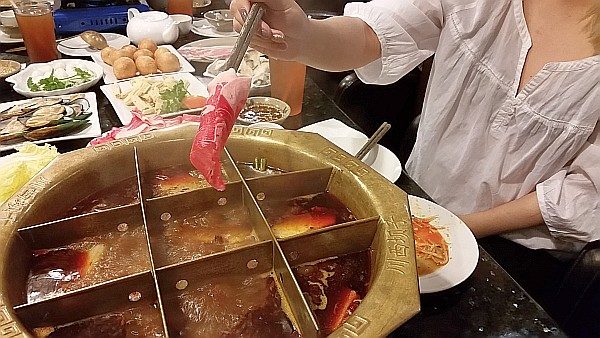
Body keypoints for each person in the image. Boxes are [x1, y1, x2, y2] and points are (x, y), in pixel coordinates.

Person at [229, 0, 600, 253]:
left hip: (514, 252)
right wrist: (301, 36)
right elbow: (369, 37)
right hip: (415, 199)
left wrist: (456, 227)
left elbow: (584, 192)